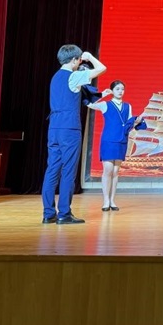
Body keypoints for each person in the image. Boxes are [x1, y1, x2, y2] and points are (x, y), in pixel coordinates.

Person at [42, 45, 106, 224]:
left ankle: (48, 214)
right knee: (68, 171)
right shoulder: (74, 76)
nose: (79, 63)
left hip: (54, 127)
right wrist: (89, 57)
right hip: (69, 128)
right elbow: (102, 69)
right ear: (74, 60)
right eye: (78, 60)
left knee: (52, 169)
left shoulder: (55, 77)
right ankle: (64, 213)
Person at [87, 81, 146, 211]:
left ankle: (112, 200)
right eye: (117, 89)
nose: (120, 91)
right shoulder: (105, 105)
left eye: (122, 89)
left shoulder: (128, 106)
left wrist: (137, 121)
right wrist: (103, 95)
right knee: (108, 170)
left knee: (115, 171)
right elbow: (89, 104)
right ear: (112, 90)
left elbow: (129, 125)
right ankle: (106, 201)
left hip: (122, 140)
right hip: (109, 140)